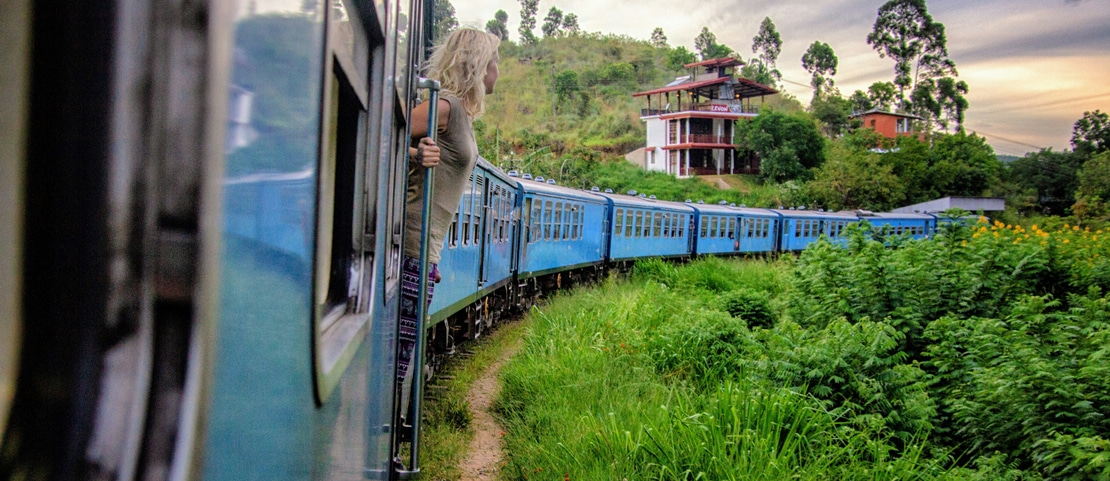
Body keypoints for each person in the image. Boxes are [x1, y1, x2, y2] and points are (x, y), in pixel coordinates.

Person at [397, 28, 500, 397]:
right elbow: (380, 131)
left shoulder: (460, 115)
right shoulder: (446, 107)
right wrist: (414, 154)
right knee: (398, 355)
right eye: (494, 63)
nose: (497, 72)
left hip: (426, 248)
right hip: (412, 242)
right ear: (477, 66)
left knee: (403, 349)